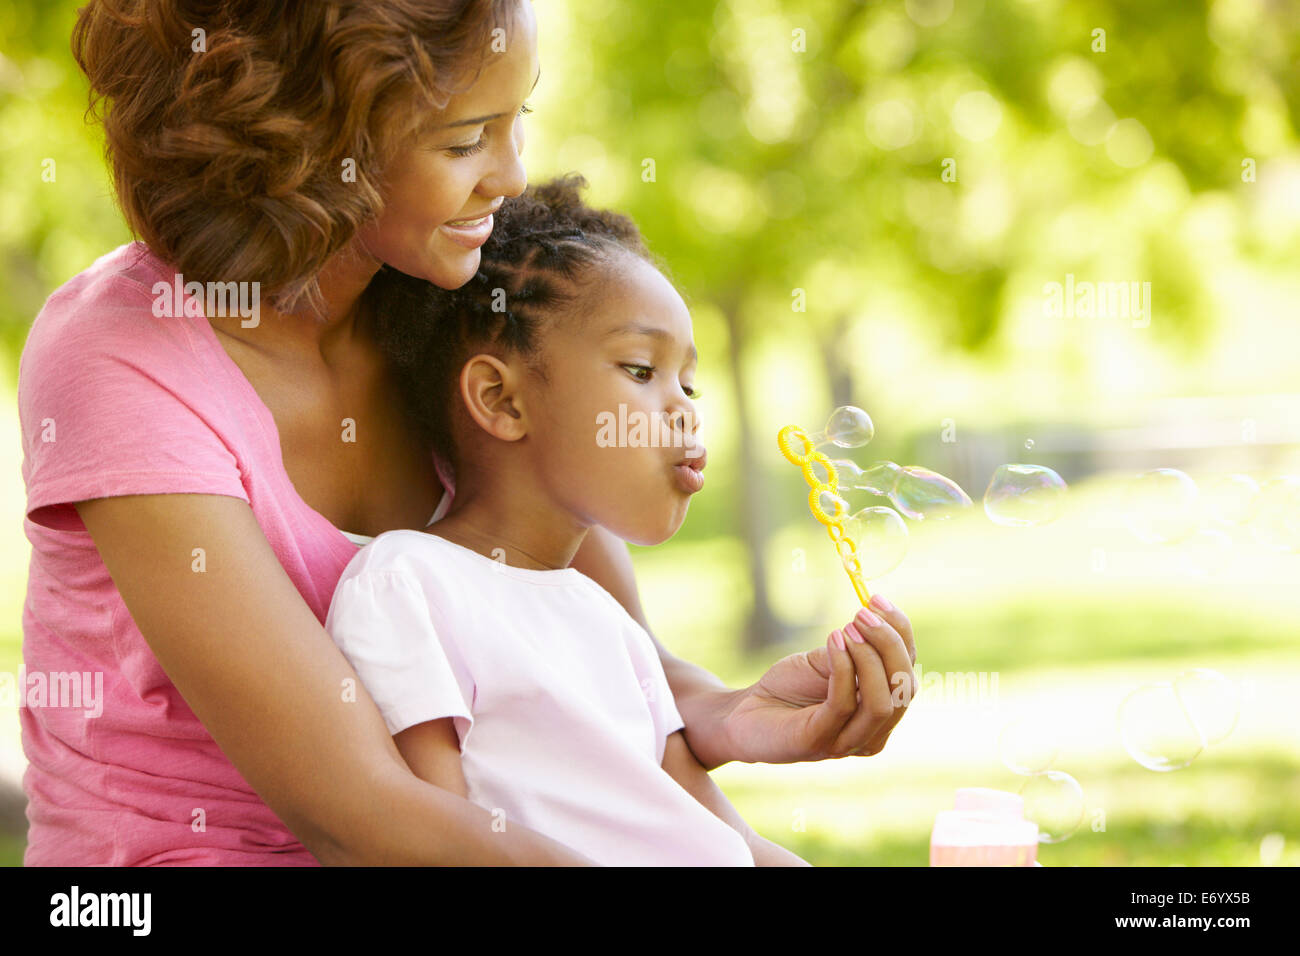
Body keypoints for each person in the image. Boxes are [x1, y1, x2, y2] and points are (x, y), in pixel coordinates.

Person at [17, 0, 916, 866]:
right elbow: (364, 821)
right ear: (305, 141)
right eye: (463, 140)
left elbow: (588, 654)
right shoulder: (123, 355)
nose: (513, 174)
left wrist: (729, 714)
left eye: (516, 117)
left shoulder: (466, 315)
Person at [329, 175, 830, 865]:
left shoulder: (606, 621)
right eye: (639, 368)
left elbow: (729, 843)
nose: (684, 408)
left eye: (690, 382)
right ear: (501, 400)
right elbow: (434, 840)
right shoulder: (409, 587)